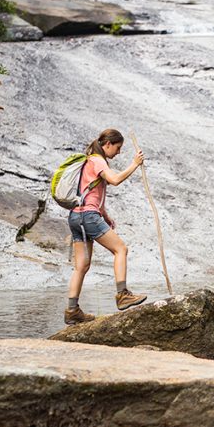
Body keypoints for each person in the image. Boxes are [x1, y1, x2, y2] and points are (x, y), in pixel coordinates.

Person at [64, 128, 147, 324]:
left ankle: (72, 310)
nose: (118, 153)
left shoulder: (88, 161)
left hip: (76, 217)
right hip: (88, 217)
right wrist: (134, 164)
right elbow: (115, 180)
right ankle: (122, 295)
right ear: (107, 144)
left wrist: (105, 215)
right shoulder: (97, 160)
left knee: (81, 266)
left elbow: (90, 194)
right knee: (120, 249)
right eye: (117, 148)